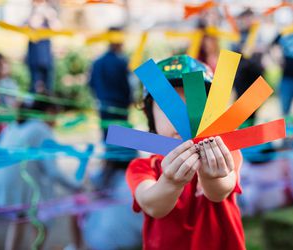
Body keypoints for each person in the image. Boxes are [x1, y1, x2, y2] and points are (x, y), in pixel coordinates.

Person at [126, 55, 245, 249]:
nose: (183, 118)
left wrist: (211, 176)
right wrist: (170, 182)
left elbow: (220, 192)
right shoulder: (142, 167)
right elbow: (152, 205)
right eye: (169, 106)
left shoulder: (225, 151)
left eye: (195, 105)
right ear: (150, 116)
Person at [0, 99, 80, 250]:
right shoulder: (41, 129)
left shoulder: (15, 125)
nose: (56, 121)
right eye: (56, 115)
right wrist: (75, 186)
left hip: (2, 180)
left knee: (20, 217)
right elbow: (53, 172)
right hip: (17, 183)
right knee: (44, 219)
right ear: (49, 113)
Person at [80, 160, 143, 250]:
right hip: (125, 241)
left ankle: (77, 246)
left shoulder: (106, 177)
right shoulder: (136, 180)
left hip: (98, 241)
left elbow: (87, 180)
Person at [88, 26, 133, 140]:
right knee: (121, 140)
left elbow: (91, 84)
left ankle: (110, 157)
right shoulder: (121, 62)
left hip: (103, 104)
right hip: (119, 106)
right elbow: (127, 85)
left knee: (108, 138)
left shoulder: (97, 62)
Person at [232, 8, 264, 127]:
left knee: (254, 109)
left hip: (255, 73)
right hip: (242, 75)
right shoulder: (237, 34)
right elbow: (235, 51)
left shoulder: (257, 33)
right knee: (241, 108)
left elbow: (262, 48)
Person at [26, 0, 60, 94]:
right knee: (34, 84)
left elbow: (57, 28)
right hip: (34, 57)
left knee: (48, 86)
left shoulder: (50, 13)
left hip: (46, 56)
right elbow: (33, 24)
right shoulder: (33, 13)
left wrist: (50, 16)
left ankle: (47, 105)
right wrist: (39, 12)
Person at [0, 52, 19, 140]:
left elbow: (12, 111)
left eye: (2, 64)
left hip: (5, 130)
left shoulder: (9, 84)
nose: (1, 68)